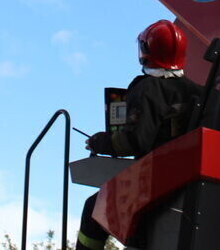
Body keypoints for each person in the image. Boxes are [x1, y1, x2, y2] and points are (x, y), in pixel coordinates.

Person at [75, 19, 202, 250]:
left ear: (146, 51)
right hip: (191, 185)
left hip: (154, 183)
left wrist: (100, 142)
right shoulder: (200, 92)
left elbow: (134, 141)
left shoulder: (147, 89)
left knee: (94, 208)